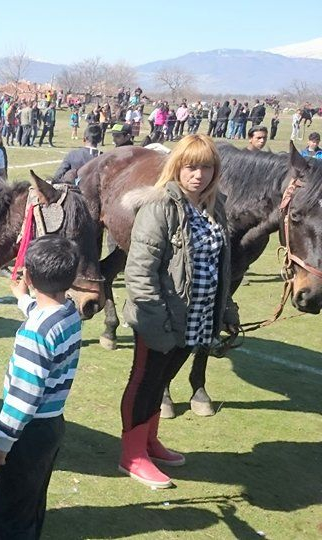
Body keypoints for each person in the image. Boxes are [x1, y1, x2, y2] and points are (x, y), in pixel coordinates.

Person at [120, 134, 238, 489]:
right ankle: (132, 455)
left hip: (196, 318)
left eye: (205, 167)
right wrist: (156, 324)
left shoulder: (215, 207)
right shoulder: (160, 207)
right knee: (145, 382)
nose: (198, 174)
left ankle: (150, 441)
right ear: (176, 167)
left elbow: (221, 266)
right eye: (190, 166)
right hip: (160, 320)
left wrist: (226, 308)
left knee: (163, 380)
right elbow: (140, 272)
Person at [0, 235, 82, 540]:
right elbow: (41, 313)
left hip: (27, 432)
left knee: (10, 513)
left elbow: (25, 396)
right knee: (32, 502)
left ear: (27, 274)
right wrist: (22, 298)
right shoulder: (69, 312)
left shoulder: (34, 334)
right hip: (52, 425)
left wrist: (1, 440)